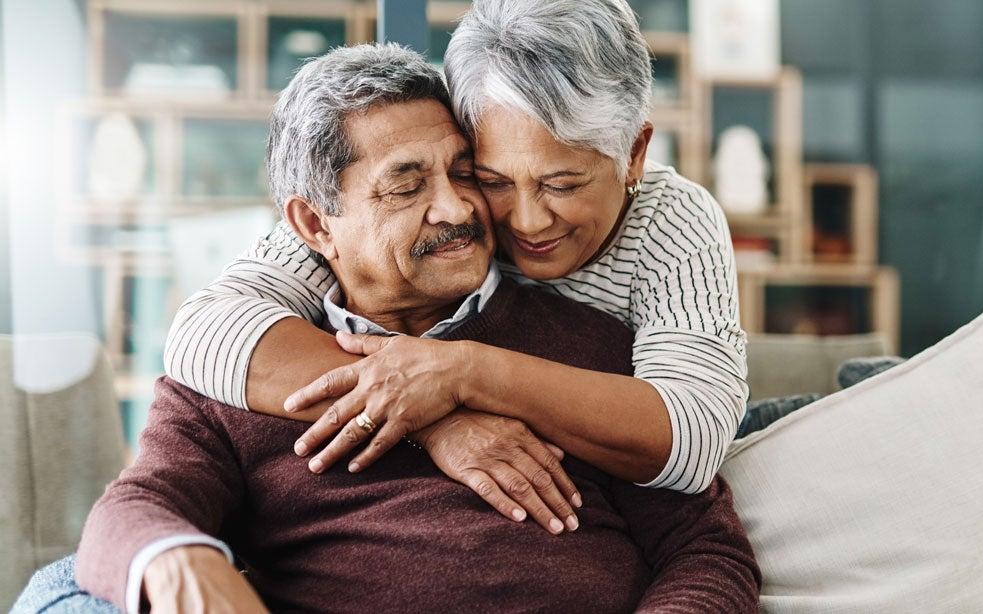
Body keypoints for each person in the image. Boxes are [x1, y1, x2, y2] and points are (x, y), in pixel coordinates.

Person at [51, 43, 759, 613]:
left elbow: (707, 553)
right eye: (406, 185)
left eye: (463, 173)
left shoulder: (589, 351)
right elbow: (131, 512)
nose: (457, 209)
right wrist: (180, 564)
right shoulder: (240, 371)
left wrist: (462, 380)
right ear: (312, 225)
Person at [162, 0, 747, 527]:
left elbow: (693, 442)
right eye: (490, 179)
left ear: (634, 155)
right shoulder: (425, 208)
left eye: (562, 183)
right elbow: (203, 332)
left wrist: (462, 373)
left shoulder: (672, 222)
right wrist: (432, 414)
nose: (526, 222)